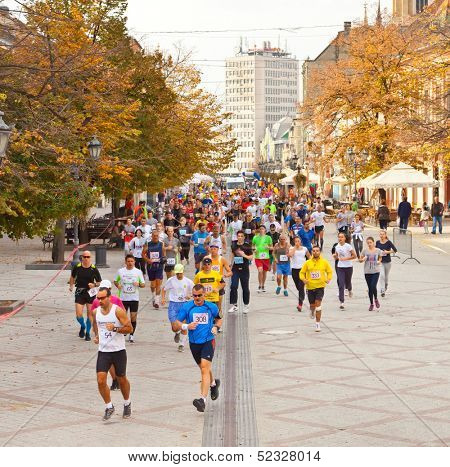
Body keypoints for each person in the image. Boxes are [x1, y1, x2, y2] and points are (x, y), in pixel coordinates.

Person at [173, 284, 222, 412]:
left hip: (208, 341)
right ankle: (213, 384)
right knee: (204, 368)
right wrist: (186, 326)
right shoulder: (187, 307)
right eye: (194, 296)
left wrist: (216, 327)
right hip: (194, 343)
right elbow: (177, 323)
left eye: (199, 295)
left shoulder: (211, 306)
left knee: (204, 369)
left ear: (204, 294)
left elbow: (219, 319)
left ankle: (202, 400)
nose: (197, 298)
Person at [92, 287, 133, 420]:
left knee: (121, 379)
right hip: (103, 351)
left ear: (109, 297)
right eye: (98, 298)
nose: (100, 301)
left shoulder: (117, 311)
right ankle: (109, 406)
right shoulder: (96, 312)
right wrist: (97, 335)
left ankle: (127, 403)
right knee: (100, 380)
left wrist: (115, 328)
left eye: (102, 298)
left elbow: (129, 328)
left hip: (118, 351)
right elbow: (95, 324)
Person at [69, 250, 102, 342]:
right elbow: (72, 277)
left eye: (88, 257)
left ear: (90, 258)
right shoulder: (77, 267)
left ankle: (87, 332)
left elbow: (99, 282)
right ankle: (83, 326)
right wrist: (71, 286)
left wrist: (94, 285)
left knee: (90, 314)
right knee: (78, 314)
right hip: (79, 292)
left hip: (90, 293)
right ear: (82, 258)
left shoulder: (94, 268)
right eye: (85, 257)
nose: (86, 259)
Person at [161, 264, 194, 352]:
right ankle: (177, 332)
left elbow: (194, 292)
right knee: (174, 327)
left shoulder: (188, 281)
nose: (178, 275)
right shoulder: (171, 280)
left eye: (180, 273)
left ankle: (181, 344)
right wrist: (163, 298)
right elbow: (164, 289)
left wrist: (189, 296)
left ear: (183, 271)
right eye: (177, 273)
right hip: (173, 305)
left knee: (184, 325)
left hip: (184, 305)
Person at [300, 245, 333, 332]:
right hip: (310, 287)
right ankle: (311, 310)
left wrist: (328, 278)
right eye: (314, 251)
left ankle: (317, 324)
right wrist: (303, 279)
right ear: (312, 252)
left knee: (318, 305)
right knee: (312, 305)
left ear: (320, 252)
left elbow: (329, 271)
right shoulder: (307, 263)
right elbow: (302, 273)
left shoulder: (324, 262)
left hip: (320, 287)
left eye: (317, 251)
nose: (315, 252)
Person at [114, 255, 145, 343]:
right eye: (128, 261)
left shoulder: (138, 272)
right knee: (122, 317)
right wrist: (118, 285)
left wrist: (138, 284)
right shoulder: (120, 271)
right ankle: (124, 331)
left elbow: (143, 284)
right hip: (123, 298)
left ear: (134, 262)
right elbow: (115, 281)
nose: (130, 263)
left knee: (133, 317)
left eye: (132, 261)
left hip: (134, 298)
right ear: (125, 262)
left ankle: (131, 334)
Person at [229, 230, 253, 314]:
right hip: (235, 268)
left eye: (241, 236)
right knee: (233, 286)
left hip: (244, 269)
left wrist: (244, 255)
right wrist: (230, 263)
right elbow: (232, 253)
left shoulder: (247, 246)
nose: (239, 237)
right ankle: (234, 305)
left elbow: (251, 257)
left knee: (245, 288)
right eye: (238, 236)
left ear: (244, 237)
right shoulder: (234, 244)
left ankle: (246, 305)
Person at [332, 232, 356, 310]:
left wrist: (346, 259)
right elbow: (336, 257)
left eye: (342, 237)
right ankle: (341, 302)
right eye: (339, 237)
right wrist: (335, 256)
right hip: (340, 267)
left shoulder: (348, 246)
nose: (340, 238)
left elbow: (354, 256)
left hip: (348, 266)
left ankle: (350, 289)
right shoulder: (337, 247)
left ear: (345, 238)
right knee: (341, 284)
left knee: (348, 282)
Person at [143, 229, 166, 309]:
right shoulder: (148, 244)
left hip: (159, 266)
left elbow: (164, 254)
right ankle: (153, 296)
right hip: (150, 267)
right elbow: (143, 254)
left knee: (158, 283)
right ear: (151, 236)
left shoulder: (161, 244)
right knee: (153, 285)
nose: (156, 237)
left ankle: (157, 301)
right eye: (154, 236)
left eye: (157, 236)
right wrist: (147, 260)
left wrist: (164, 259)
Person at [359, 237, 382, 311]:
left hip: (376, 271)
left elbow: (380, 258)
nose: (369, 244)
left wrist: (379, 261)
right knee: (370, 288)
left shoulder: (378, 250)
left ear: (373, 242)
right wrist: (363, 259)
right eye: (368, 243)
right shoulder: (365, 251)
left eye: (370, 242)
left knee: (373, 285)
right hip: (367, 272)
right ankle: (371, 303)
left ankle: (376, 299)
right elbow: (360, 260)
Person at [289, 236, 310, 312]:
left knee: (300, 287)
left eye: (298, 241)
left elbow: (309, 257)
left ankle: (300, 305)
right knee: (298, 287)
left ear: (301, 241)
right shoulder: (291, 248)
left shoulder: (304, 249)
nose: (297, 242)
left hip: (303, 270)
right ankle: (303, 293)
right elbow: (290, 255)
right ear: (294, 242)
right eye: (296, 241)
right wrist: (295, 247)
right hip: (294, 269)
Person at [376, 230, 397, 297]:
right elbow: (375, 250)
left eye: (383, 234)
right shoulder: (377, 242)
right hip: (380, 261)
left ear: (385, 235)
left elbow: (395, 250)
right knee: (382, 275)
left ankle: (386, 285)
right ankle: (382, 290)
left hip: (388, 262)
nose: (381, 236)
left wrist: (387, 252)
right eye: (380, 234)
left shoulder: (388, 242)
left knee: (386, 276)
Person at [252, 225, 273, 293]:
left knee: (264, 272)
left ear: (265, 230)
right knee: (260, 271)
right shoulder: (255, 237)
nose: (261, 230)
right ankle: (259, 285)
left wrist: (268, 248)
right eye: (260, 229)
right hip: (258, 257)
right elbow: (252, 246)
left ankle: (263, 285)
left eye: (263, 229)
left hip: (266, 257)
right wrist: (254, 250)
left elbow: (272, 247)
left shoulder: (268, 238)